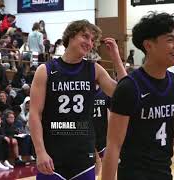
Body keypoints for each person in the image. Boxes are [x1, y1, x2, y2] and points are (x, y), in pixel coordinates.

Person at [101, 12, 174, 180]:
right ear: (149, 46)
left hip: (165, 174)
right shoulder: (129, 87)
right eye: (170, 40)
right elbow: (114, 145)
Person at [29, 19, 126, 180]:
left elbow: (123, 94)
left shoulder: (93, 69)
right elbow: (34, 114)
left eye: (92, 40)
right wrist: (40, 152)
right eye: (85, 36)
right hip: (52, 153)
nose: (89, 43)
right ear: (71, 36)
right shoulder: (45, 70)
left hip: (83, 154)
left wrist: (116, 57)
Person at [92, 86, 110, 176]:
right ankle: (95, 176)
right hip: (87, 133)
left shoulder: (104, 93)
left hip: (102, 134)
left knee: (105, 160)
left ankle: (98, 176)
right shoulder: (84, 92)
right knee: (93, 159)